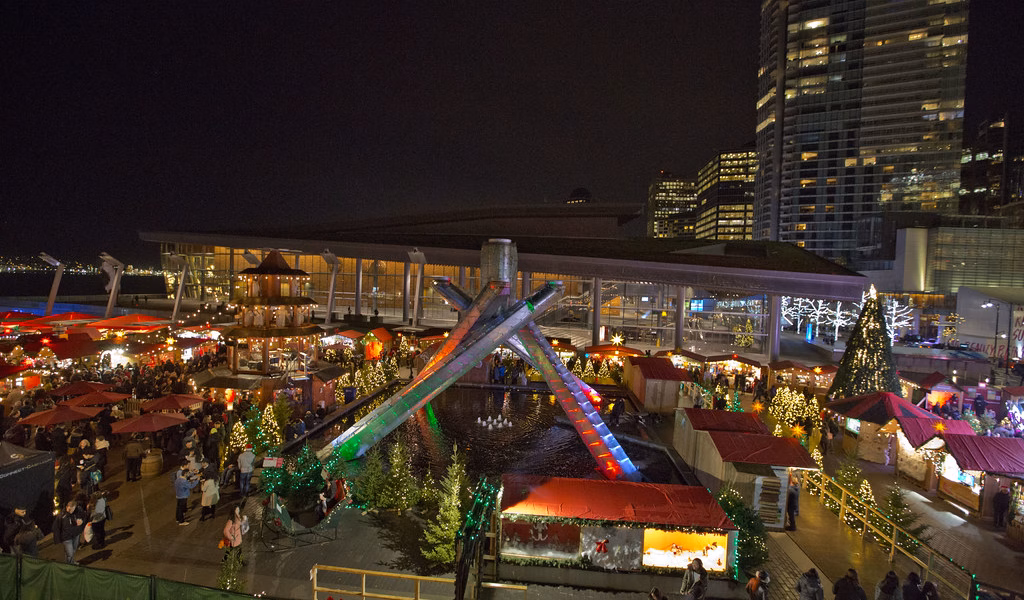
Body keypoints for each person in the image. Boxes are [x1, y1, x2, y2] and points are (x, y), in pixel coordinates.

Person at [53, 500, 85, 564]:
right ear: (67, 506)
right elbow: (56, 528)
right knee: (70, 553)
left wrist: (82, 522)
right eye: (70, 508)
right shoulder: (61, 516)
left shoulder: (78, 512)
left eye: (73, 509)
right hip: (66, 538)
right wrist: (57, 540)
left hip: (76, 535)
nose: (71, 511)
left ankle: (70, 562)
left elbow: (84, 517)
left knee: (73, 551)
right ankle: (71, 565)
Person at [174, 462, 200, 526]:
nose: (188, 474)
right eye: (188, 473)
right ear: (185, 474)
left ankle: (178, 519)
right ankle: (181, 521)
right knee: (181, 509)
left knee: (178, 508)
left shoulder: (178, 479)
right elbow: (191, 486)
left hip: (178, 495)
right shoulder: (184, 481)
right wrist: (197, 480)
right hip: (183, 496)